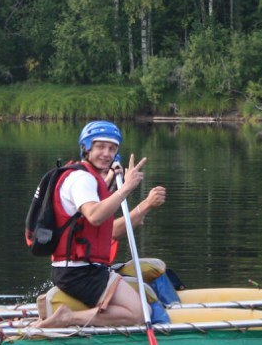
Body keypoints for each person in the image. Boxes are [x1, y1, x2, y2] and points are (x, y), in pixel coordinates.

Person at [38, 120, 166, 327]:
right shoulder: (81, 179)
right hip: (78, 272)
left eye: (112, 148)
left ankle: (76, 317)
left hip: (86, 269)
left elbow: (105, 225)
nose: (107, 153)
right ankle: (68, 317)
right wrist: (127, 188)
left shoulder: (89, 179)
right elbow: (95, 216)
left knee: (142, 305)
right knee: (141, 313)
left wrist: (137, 200)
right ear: (86, 148)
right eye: (100, 147)